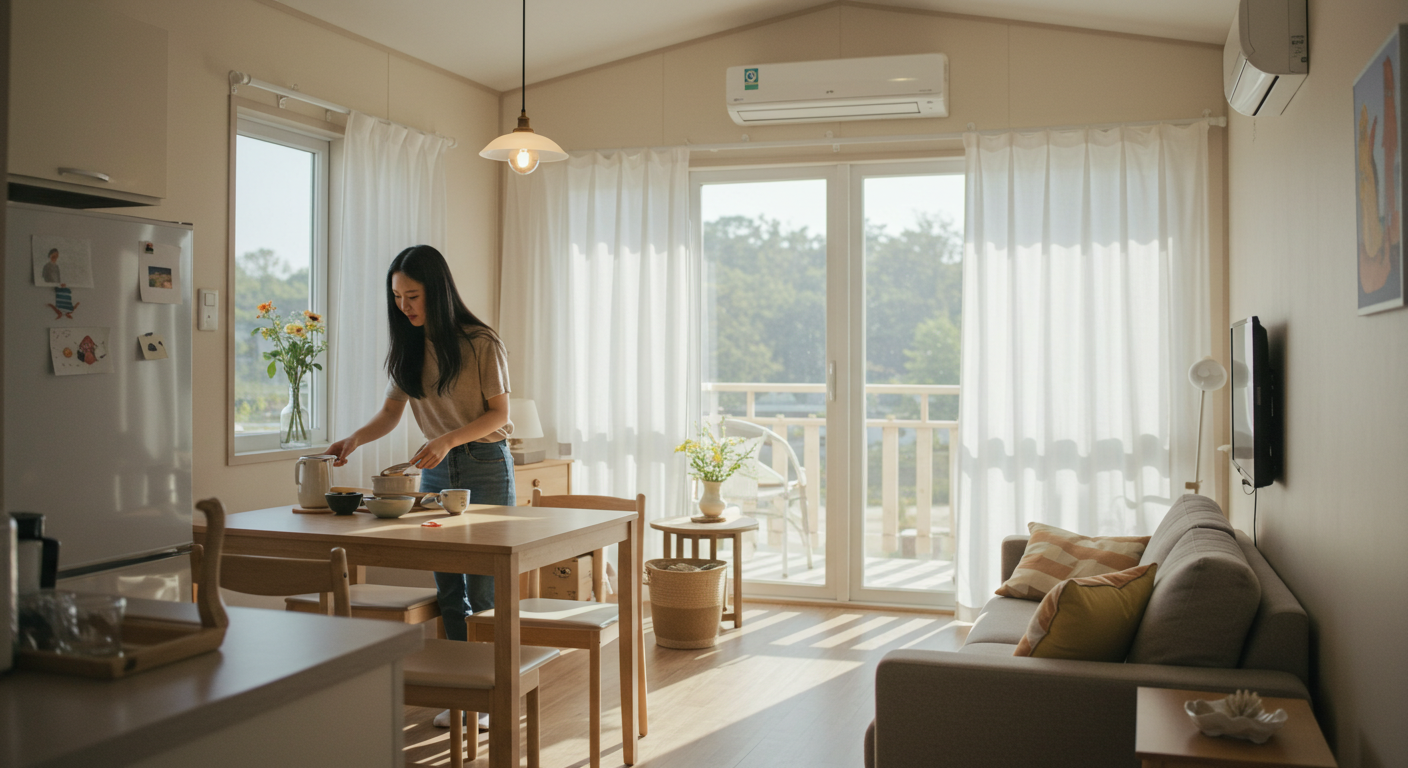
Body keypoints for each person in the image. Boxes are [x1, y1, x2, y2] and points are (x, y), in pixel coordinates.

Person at [328, 244, 513, 730]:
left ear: (439, 292)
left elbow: (500, 415)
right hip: (436, 473)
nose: (404, 306)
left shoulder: (480, 343)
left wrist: (448, 438)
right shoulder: (409, 347)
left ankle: (489, 693)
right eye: (397, 297)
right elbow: (390, 414)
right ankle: (460, 697)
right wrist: (353, 439)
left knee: (484, 590)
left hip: (485, 465)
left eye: (413, 295)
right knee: (449, 588)